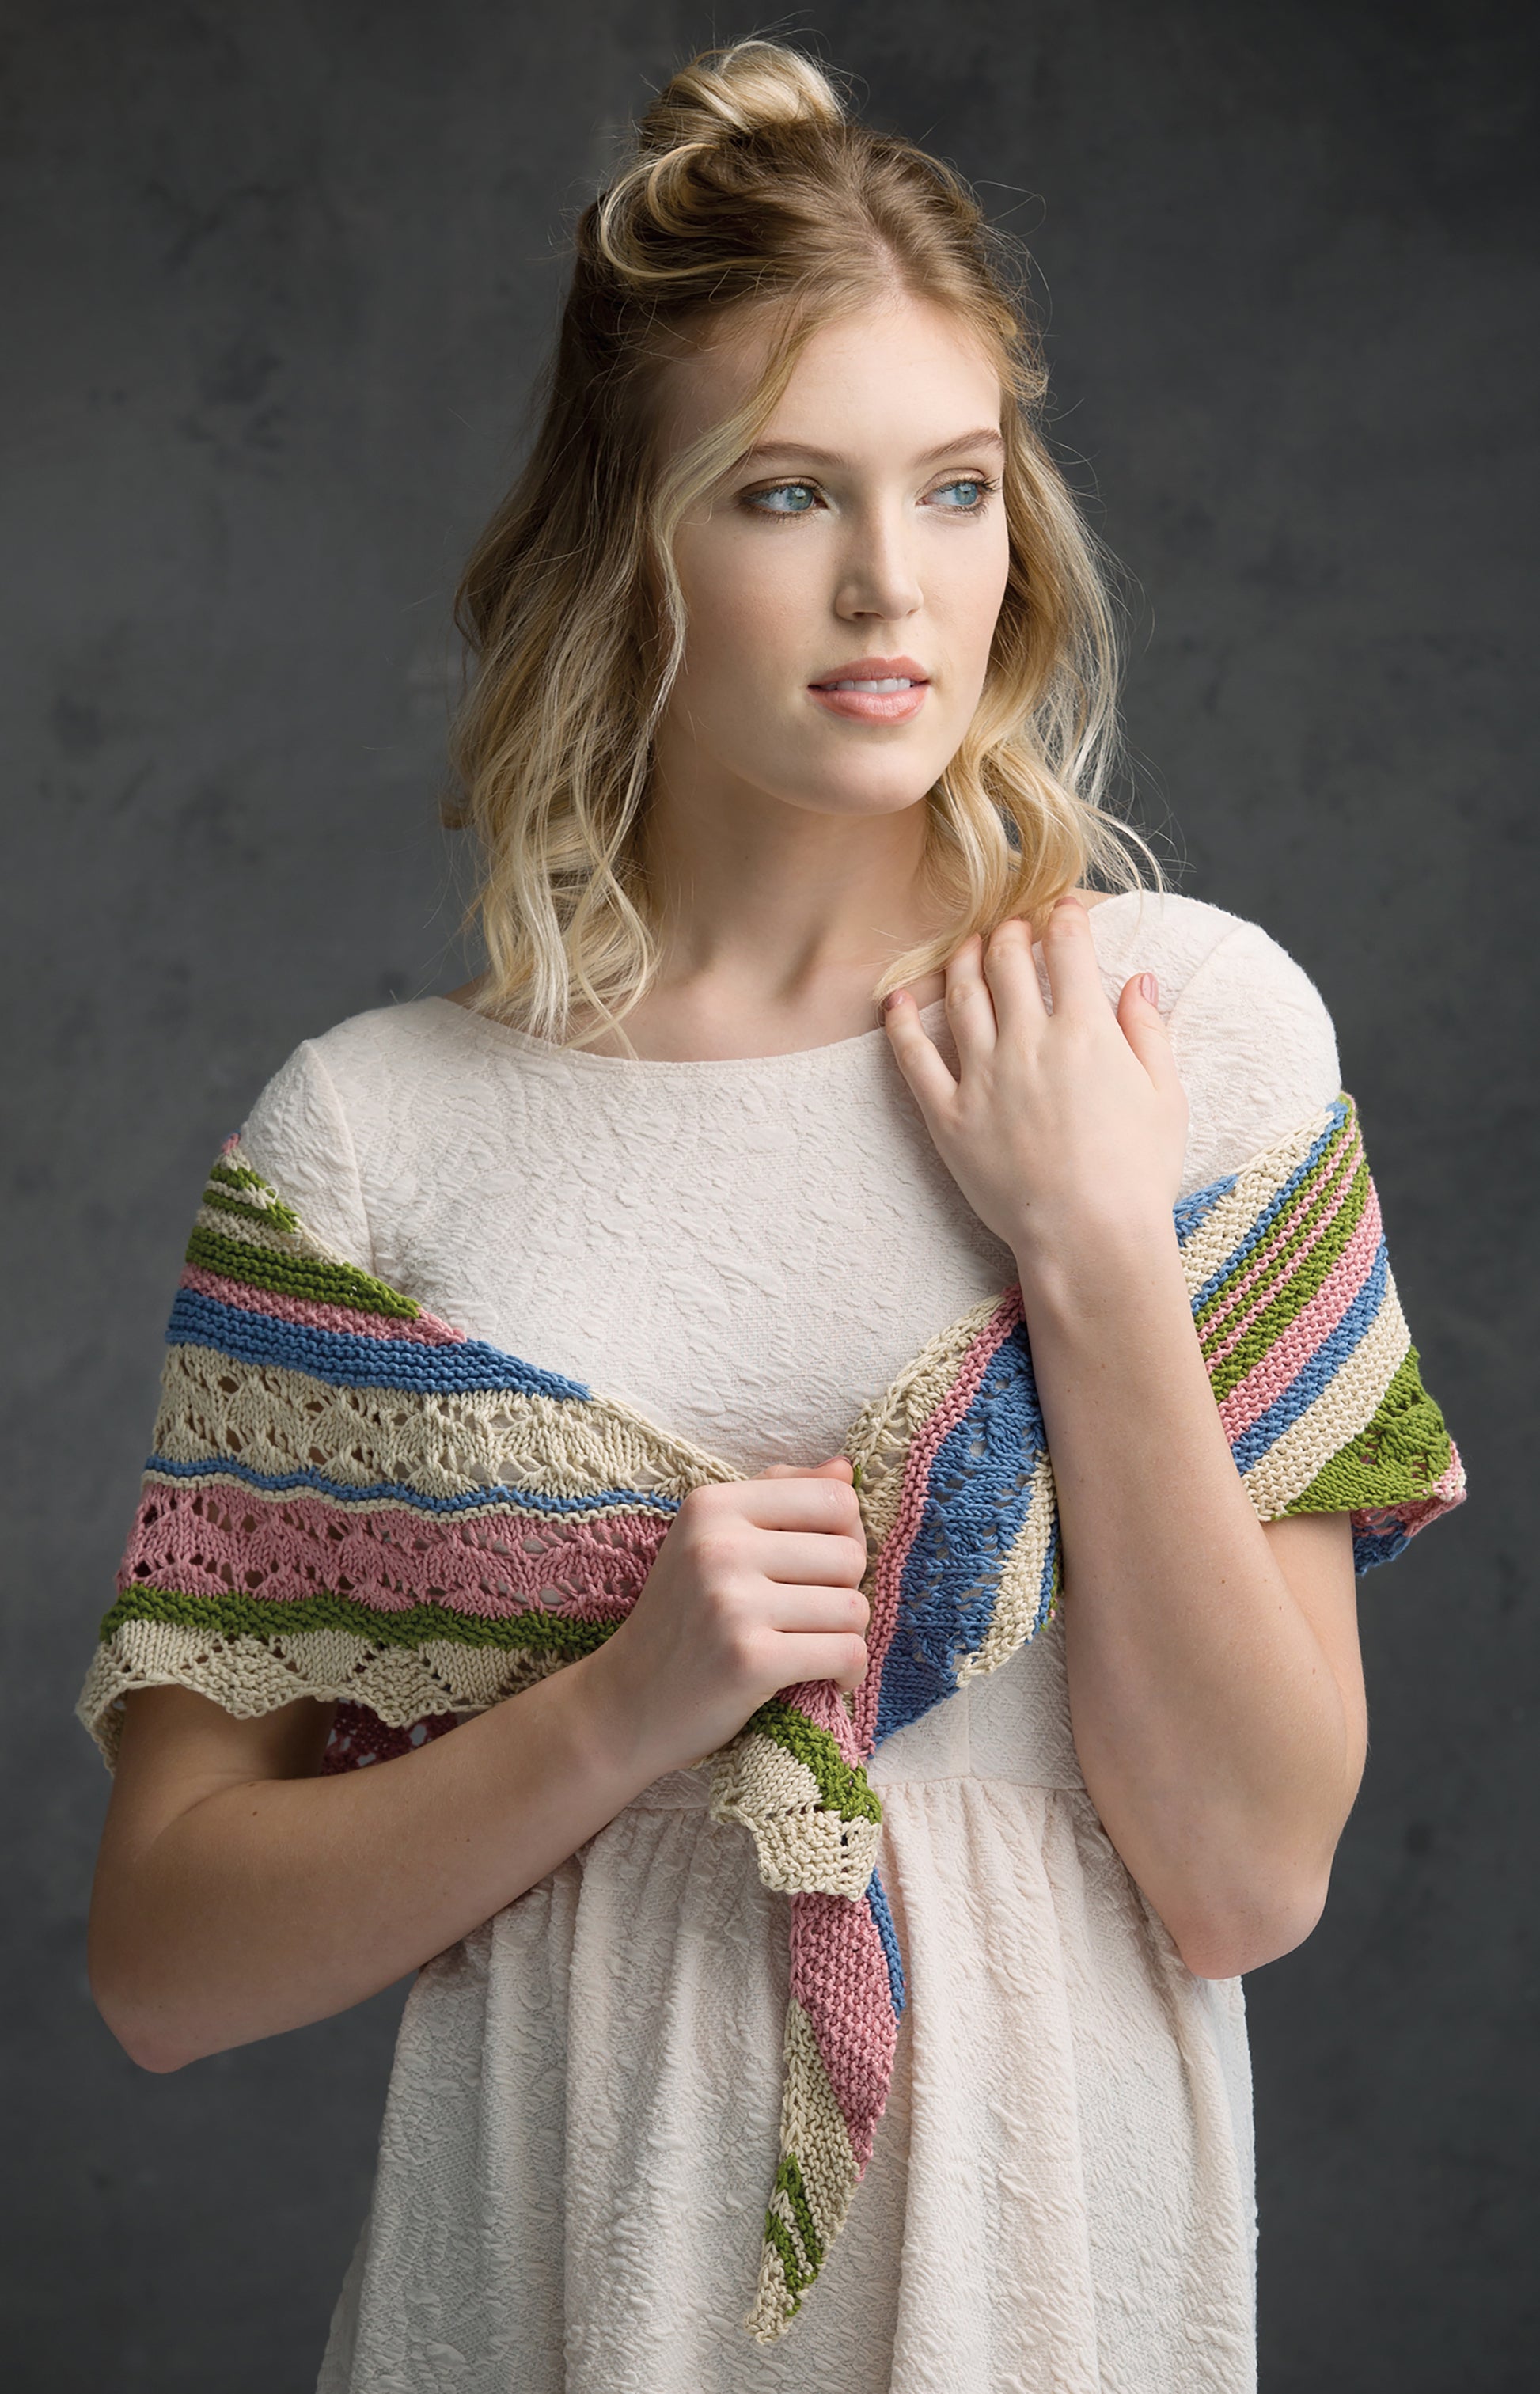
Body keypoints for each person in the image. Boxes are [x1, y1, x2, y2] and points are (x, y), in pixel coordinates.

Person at [80, 40, 1464, 2394]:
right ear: (628, 535)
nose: (883, 585)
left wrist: (1094, 1241)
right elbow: (164, 1966)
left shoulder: (1185, 1036)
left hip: (1049, 2283)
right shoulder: (373, 1142)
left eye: (951, 488)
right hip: (532, 2280)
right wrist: (624, 1705)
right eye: (785, 491)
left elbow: (1244, 1875)